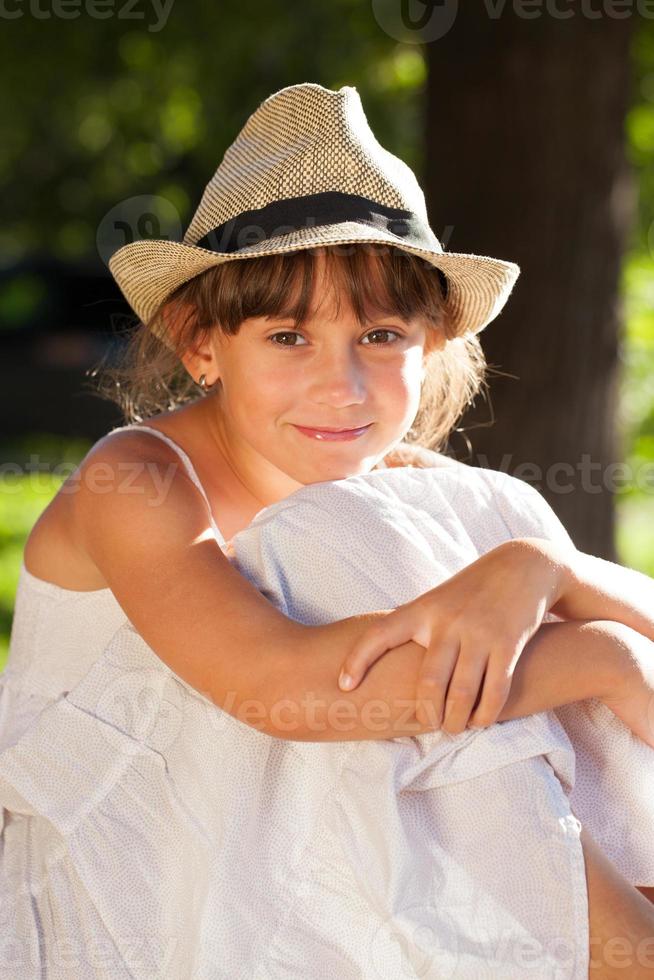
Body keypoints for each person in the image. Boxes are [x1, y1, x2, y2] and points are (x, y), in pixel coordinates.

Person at [1, 81, 653, 978]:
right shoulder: (138, 479)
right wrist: (597, 659)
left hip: (300, 862)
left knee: (494, 519)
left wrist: (542, 569)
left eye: (381, 336)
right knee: (379, 553)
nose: (342, 386)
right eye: (287, 338)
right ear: (201, 346)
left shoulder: (423, 497)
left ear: (430, 346)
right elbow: (285, 692)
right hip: (124, 889)